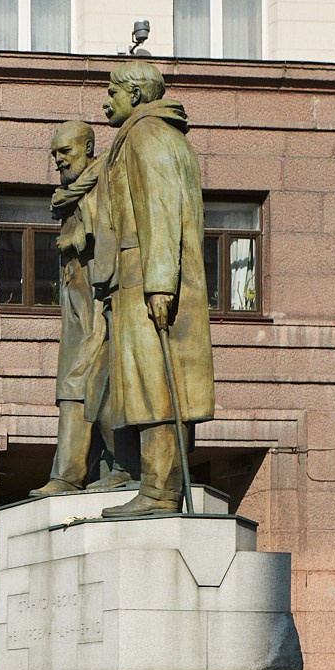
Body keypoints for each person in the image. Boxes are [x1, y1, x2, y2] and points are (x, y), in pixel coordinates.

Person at [92, 61, 217, 518]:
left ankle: (160, 493)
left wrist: (160, 284)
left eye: (112, 91)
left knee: (159, 387)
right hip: (143, 276)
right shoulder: (153, 135)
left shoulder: (147, 136)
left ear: (137, 93)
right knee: (161, 386)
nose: (106, 100)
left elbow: (160, 210)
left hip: (149, 278)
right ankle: (158, 487)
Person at [30, 121, 131, 496]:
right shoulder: (71, 191)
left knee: (92, 384)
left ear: (88, 147)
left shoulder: (107, 176)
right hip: (76, 303)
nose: (58, 160)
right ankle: (75, 473)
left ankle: (113, 467)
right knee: (72, 387)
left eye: (65, 152)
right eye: (54, 153)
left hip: (103, 301)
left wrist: (82, 235)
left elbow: (121, 225)